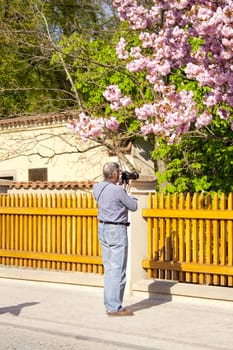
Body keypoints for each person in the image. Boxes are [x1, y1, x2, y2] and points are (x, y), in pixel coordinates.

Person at [93, 162, 138, 317]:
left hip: (103, 228)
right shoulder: (118, 190)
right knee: (118, 270)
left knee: (109, 269)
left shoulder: (97, 187)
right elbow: (133, 206)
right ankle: (114, 307)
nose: (119, 175)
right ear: (113, 174)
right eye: (118, 173)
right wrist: (128, 193)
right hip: (117, 230)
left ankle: (109, 304)